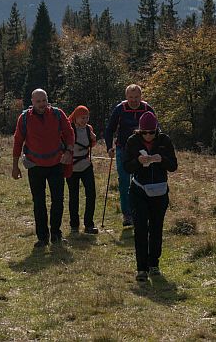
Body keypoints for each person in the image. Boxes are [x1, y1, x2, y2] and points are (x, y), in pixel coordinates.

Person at [12, 89, 75, 248]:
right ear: (32, 102)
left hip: (56, 164)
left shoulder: (58, 114)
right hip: (35, 166)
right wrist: (15, 166)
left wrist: (69, 151)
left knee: (58, 201)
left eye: (44, 100)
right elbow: (18, 141)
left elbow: (69, 133)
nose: (41, 104)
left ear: (47, 100)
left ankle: (56, 234)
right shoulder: (24, 118)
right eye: (38, 101)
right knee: (38, 203)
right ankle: (42, 237)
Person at [123, 111, 177, 282]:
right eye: (144, 132)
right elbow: (126, 167)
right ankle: (141, 269)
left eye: (151, 132)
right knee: (140, 229)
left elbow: (173, 166)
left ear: (156, 130)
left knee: (156, 228)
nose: (148, 136)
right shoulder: (132, 141)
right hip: (138, 191)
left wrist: (162, 159)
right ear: (139, 131)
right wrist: (138, 162)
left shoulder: (164, 140)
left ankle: (154, 264)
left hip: (160, 192)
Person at [104, 84, 155, 227]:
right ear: (126, 97)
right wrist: (109, 147)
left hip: (143, 151)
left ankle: (142, 212)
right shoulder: (120, 109)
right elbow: (109, 130)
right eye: (131, 97)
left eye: (136, 97)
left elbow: (156, 130)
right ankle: (127, 215)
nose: (134, 100)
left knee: (142, 181)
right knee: (124, 182)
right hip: (123, 150)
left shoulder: (147, 109)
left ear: (141, 96)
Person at [66, 105, 99, 234]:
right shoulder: (69, 129)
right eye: (82, 118)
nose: (84, 120)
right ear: (76, 117)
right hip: (72, 167)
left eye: (86, 117)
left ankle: (89, 225)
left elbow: (92, 145)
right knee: (74, 196)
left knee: (91, 194)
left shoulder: (89, 129)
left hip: (86, 165)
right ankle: (74, 225)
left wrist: (93, 138)